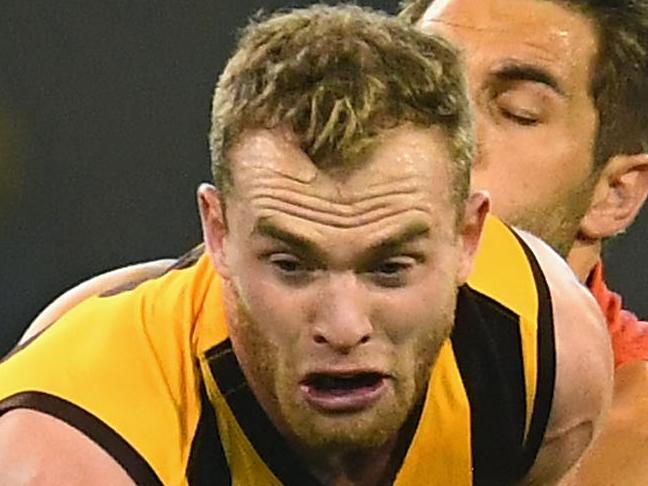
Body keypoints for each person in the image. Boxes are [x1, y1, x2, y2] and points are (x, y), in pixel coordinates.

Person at [0, 5, 612, 485]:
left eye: (391, 268)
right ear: (217, 233)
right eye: (292, 266)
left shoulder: (544, 359)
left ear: (467, 238)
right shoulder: (66, 454)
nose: (343, 327)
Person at [398, 0, 648, 482]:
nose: (446, 133)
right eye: (419, 92)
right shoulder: (225, 354)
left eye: (518, 112)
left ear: (613, 195)